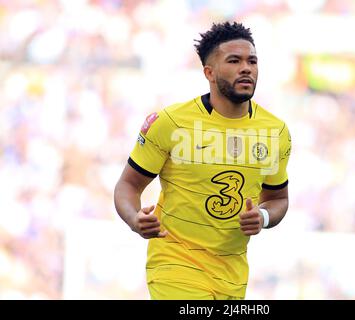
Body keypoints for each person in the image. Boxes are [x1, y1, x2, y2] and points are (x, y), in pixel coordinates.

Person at [114, 21, 291, 300]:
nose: (246, 68)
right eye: (234, 61)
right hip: (175, 262)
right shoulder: (171, 122)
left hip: (231, 274)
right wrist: (135, 220)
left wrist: (264, 216)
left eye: (252, 61)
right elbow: (128, 185)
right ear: (209, 72)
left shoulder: (275, 132)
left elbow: (278, 198)